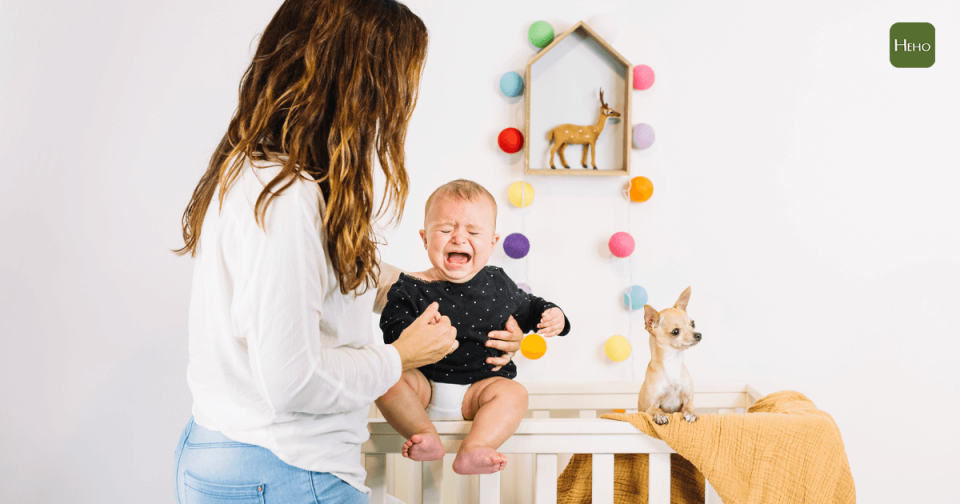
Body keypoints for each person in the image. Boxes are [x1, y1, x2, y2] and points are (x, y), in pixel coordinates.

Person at [170, 2, 523, 503]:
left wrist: (457, 305)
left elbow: (336, 273)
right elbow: (294, 381)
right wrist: (400, 356)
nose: (396, 108)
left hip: (236, 454)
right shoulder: (288, 199)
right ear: (358, 84)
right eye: (396, 84)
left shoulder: (256, 173)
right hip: (283, 468)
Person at [376, 180, 571, 475]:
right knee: (384, 375)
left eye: (473, 231)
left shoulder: (497, 282)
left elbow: (529, 308)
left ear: (492, 243)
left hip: (478, 392)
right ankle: (422, 432)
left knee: (514, 393)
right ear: (424, 238)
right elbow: (393, 333)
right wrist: (416, 330)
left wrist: (553, 314)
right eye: (445, 230)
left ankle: (476, 446)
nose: (458, 238)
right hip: (422, 388)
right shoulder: (409, 286)